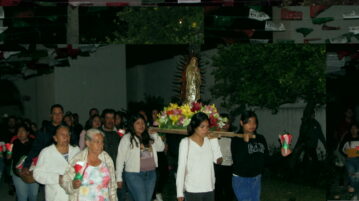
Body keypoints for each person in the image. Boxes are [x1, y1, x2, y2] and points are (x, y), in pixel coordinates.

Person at [231, 110, 291, 201]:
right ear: (241, 123)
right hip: (241, 179)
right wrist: (245, 142)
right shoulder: (236, 139)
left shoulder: (260, 138)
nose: (252, 125)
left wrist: (281, 154)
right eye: (248, 122)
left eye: (254, 122)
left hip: (256, 178)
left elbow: (266, 160)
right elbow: (238, 161)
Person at [116, 113, 165, 201]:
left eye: (143, 123)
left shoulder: (149, 136)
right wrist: (119, 177)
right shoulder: (127, 138)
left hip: (151, 174)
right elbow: (120, 159)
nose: (141, 125)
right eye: (138, 123)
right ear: (132, 125)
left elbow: (161, 148)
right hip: (134, 175)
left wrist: (155, 135)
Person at [176, 112, 223, 201]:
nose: (205, 130)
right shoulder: (185, 142)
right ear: (194, 127)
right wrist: (179, 192)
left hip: (209, 188)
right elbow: (181, 168)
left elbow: (218, 161)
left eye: (207, 127)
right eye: (202, 127)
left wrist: (214, 141)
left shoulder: (209, 141)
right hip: (192, 189)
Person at [61, 128, 117, 201]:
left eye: (102, 142)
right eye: (97, 142)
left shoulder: (106, 158)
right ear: (87, 143)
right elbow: (65, 181)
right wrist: (73, 185)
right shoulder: (78, 159)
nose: (101, 145)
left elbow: (112, 185)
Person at [33, 125, 80, 201]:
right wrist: (58, 178)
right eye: (62, 134)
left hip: (74, 194)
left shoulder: (76, 150)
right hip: (56, 196)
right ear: (55, 138)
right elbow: (37, 174)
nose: (66, 137)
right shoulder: (46, 152)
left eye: (68, 134)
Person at [8, 124, 39, 201]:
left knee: (33, 195)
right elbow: (9, 159)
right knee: (22, 197)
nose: (20, 133)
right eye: (18, 131)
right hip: (19, 174)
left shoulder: (34, 142)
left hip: (32, 173)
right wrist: (7, 154)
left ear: (28, 132)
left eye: (22, 131)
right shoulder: (14, 143)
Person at [214, 113, 234, 201]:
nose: (225, 125)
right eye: (223, 123)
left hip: (229, 167)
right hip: (217, 167)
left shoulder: (232, 136)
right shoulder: (213, 136)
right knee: (217, 192)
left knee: (229, 191)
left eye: (228, 123)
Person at [340, 123, 359, 198]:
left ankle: (354, 192)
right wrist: (347, 152)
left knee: (357, 177)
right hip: (350, 160)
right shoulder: (347, 139)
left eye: (355, 128)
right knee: (351, 176)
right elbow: (342, 149)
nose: (353, 130)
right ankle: (355, 194)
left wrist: (355, 151)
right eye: (351, 129)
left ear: (358, 129)